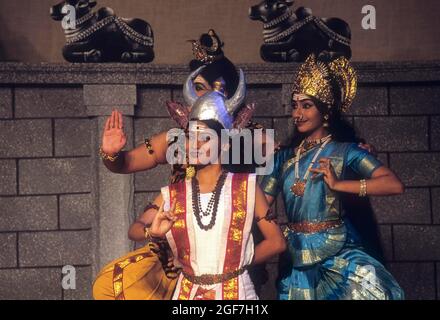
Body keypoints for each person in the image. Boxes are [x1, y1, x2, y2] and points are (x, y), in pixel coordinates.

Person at [260, 54, 405, 300]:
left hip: (339, 249)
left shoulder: (346, 151)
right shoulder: (283, 157)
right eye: (295, 105)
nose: (298, 113)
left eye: (307, 106)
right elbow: (260, 205)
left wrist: (339, 184)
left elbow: (393, 184)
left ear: (325, 111)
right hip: (294, 255)